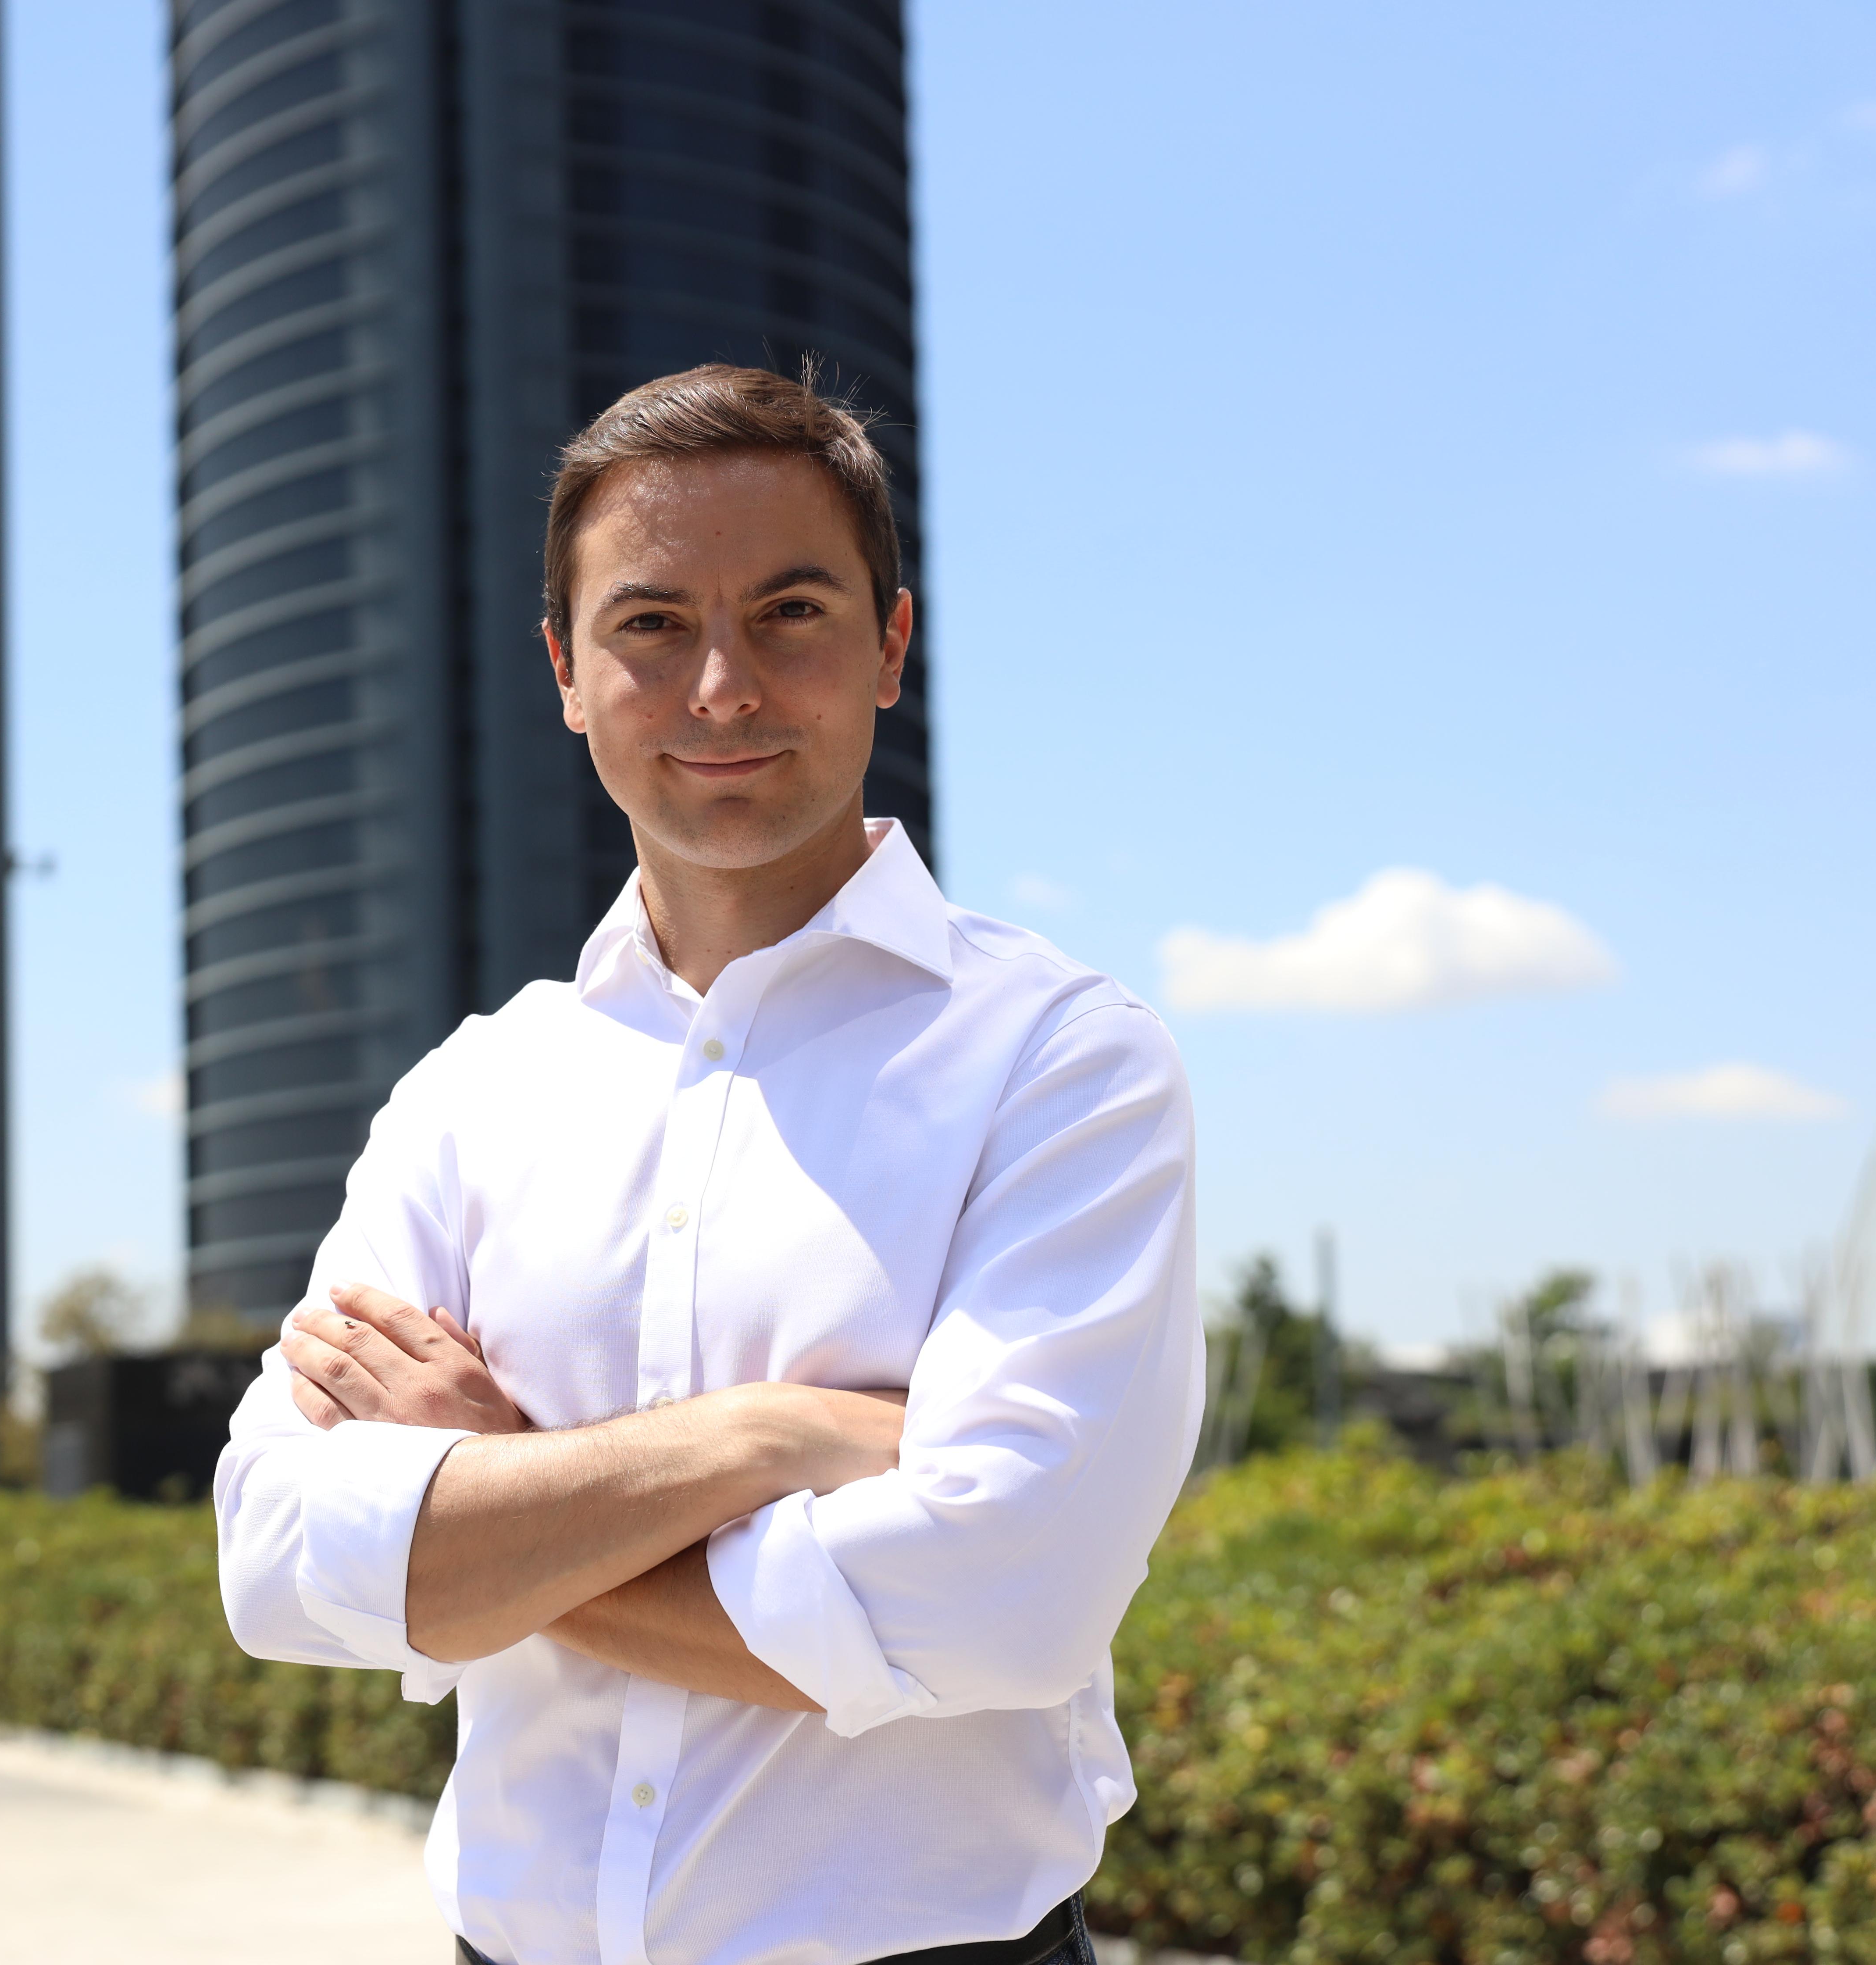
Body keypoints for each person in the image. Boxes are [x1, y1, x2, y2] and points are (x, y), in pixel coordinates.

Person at [212, 362, 1203, 1965]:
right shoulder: (475, 1094)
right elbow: (274, 1558)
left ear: (891, 645)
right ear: (565, 670)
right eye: (652, 625)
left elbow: (1004, 1606)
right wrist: (771, 1441)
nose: (723, 689)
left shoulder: (1061, 1063)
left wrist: (491, 1507)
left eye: (792, 613)